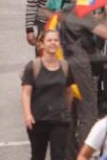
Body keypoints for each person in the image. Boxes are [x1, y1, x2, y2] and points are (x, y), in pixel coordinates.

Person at [20, 29, 74, 160]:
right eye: (49, 40)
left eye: (56, 40)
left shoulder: (65, 66)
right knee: (38, 156)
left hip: (59, 120)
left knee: (58, 155)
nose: (53, 43)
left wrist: (67, 111)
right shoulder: (33, 67)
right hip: (38, 120)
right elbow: (26, 93)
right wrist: (27, 115)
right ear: (42, 44)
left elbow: (69, 91)